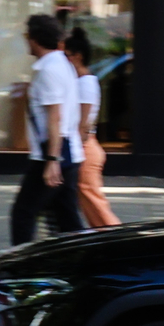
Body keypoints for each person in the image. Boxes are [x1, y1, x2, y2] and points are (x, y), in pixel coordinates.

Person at [8, 14, 81, 246]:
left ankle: (20, 269)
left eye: (27, 36)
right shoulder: (61, 64)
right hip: (69, 151)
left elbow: (55, 116)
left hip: (53, 153)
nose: (26, 40)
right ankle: (83, 263)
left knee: (23, 214)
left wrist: (52, 160)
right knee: (67, 221)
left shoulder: (49, 70)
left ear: (35, 39)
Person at [64, 27, 120, 229]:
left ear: (77, 56)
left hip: (86, 149)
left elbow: (83, 124)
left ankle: (117, 240)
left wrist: (72, 152)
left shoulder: (86, 83)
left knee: (94, 203)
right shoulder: (79, 82)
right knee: (88, 202)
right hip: (85, 148)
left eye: (66, 56)